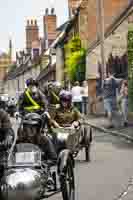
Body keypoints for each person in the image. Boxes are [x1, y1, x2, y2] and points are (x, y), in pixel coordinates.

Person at [0, 108, 14, 186]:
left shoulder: (2, 113)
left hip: (1, 144)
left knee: (2, 165)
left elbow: (8, 130)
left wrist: (9, 137)